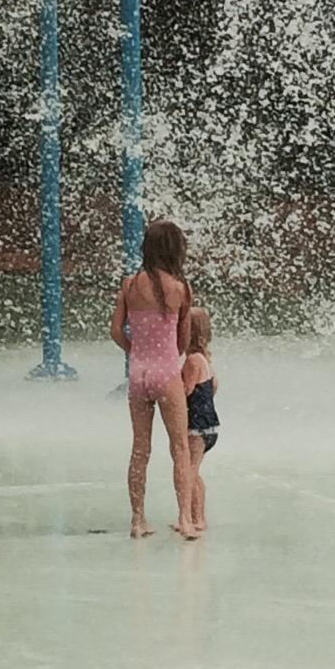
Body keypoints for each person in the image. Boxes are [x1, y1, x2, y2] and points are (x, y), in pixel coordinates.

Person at [110, 219, 195, 538]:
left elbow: (116, 331)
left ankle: (137, 519)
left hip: (138, 372)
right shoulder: (181, 288)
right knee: (180, 447)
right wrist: (169, 358)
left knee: (140, 448)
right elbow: (183, 339)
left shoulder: (130, 284)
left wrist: (135, 352)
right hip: (167, 371)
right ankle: (185, 518)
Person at [181, 305, 219, 537]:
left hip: (196, 426)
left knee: (189, 471)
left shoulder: (193, 361)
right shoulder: (204, 359)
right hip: (209, 424)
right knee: (192, 470)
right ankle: (196, 516)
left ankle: (197, 518)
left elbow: (185, 390)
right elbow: (214, 386)